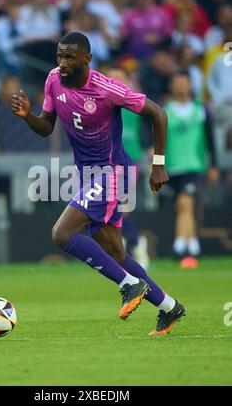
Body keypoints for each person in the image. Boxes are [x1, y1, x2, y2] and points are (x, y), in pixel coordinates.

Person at [11, 31, 185, 336]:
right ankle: (170, 307)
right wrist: (28, 117)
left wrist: (158, 165)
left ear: (86, 59)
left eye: (69, 57)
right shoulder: (53, 80)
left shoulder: (106, 88)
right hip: (87, 175)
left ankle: (129, 284)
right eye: (59, 55)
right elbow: (46, 127)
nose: (62, 63)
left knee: (61, 233)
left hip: (112, 172)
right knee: (116, 253)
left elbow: (158, 113)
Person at [164, 71, 219, 268]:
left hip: (194, 166)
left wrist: (214, 164)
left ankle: (180, 246)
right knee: (183, 206)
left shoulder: (201, 109)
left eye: (183, 82)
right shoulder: (165, 109)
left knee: (185, 201)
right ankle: (193, 244)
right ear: (171, 86)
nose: (180, 86)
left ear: (190, 85)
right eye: (176, 82)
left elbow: (211, 139)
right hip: (171, 167)